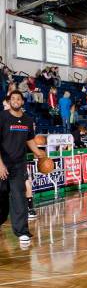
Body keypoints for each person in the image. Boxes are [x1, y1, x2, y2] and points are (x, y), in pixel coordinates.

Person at [0, 91, 45, 243]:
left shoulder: (27, 120)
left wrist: (39, 153)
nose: (15, 101)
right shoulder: (2, 117)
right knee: (2, 198)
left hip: (19, 164)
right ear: (9, 101)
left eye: (18, 98)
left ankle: (22, 231)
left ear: (22, 102)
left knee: (19, 196)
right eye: (12, 98)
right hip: (2, 163)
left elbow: (30, 140)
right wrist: (0, 165)